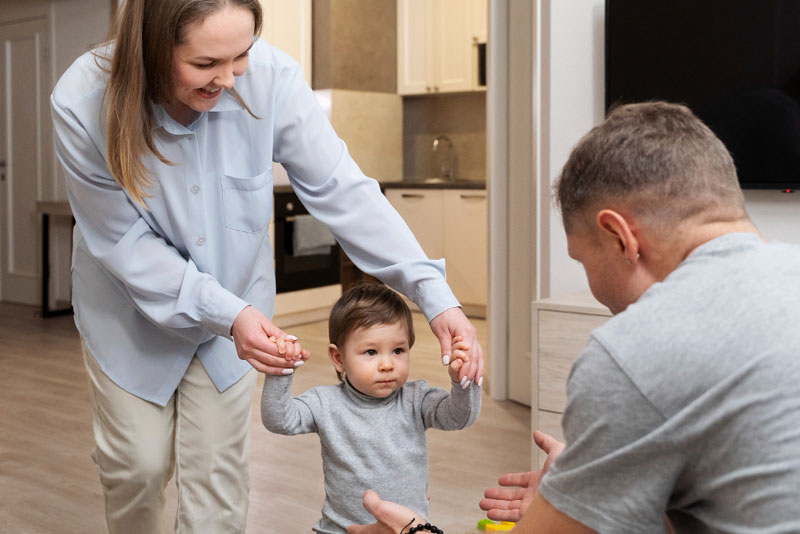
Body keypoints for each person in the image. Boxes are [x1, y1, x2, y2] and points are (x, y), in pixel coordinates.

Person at [50, 1, 483, 532]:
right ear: (152, 47)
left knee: (217, 478)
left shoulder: (273, 79)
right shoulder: (81, 101)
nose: (230, 79)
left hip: (236, 323)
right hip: (129, 314)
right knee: (136, 469)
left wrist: (434, 295)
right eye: (207, 64)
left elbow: (343, 192)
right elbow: (125, 244)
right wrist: (228, 313)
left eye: (243, 55)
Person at [346, 101, 800, 533]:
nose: (597, 294)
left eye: (582, 261)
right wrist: (596, 482)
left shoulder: (635, 351)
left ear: (619, 236)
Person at [262, 282, 481, 533]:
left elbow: (458, 417)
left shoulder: (416, 398)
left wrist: (464, 379)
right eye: (371, 352)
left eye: (398, 350)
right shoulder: (325, 403)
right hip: (339, 530)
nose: (387, 364)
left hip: (406, 531)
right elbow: (279, 420)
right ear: (339, 358)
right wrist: (280, 372)